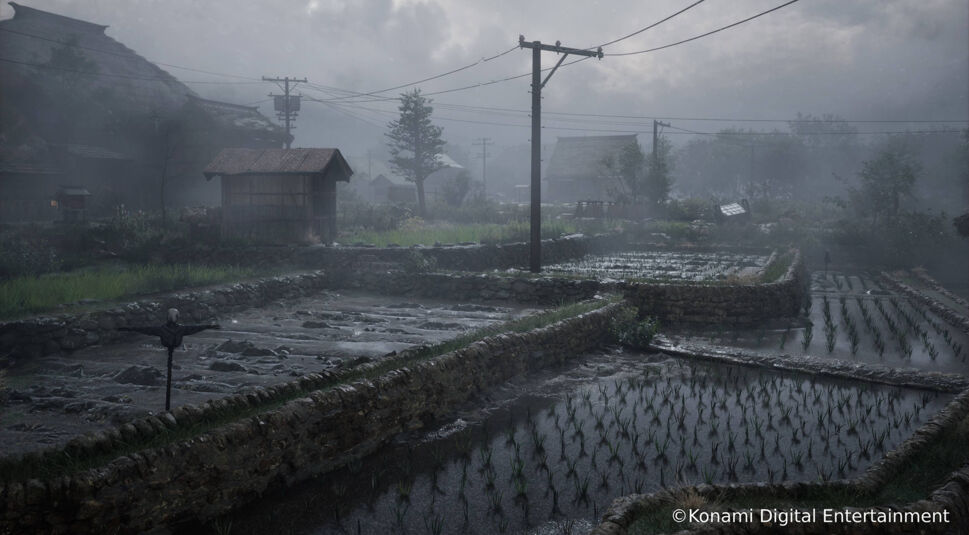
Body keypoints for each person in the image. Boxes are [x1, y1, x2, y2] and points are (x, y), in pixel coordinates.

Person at [119, 308, 220, 410]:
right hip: (172, 347)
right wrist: (209, 326)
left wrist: (129, 328)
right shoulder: (181, 329)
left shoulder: (162, 329)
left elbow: (145, 329)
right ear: (177, 317)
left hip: (170, 348)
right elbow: (195, 328)